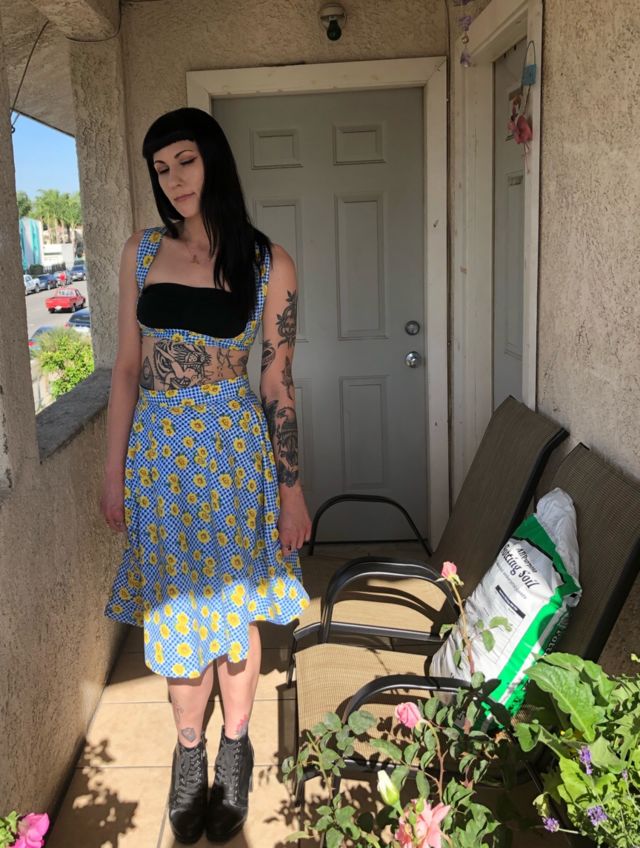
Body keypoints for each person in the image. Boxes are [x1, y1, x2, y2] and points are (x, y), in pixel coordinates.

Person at [100, 107, 311, 845]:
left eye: (185, 160)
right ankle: (189, 752)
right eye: (161, 168)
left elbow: (278, 382)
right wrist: (112, 471)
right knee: (175, 615)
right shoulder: (140, 252)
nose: (174, 179)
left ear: (213, 159)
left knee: (233, 614)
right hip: (158, 463)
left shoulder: (268, 264)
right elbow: (126, 372)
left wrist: (291, 488)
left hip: (232, 460)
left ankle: (235, 747)